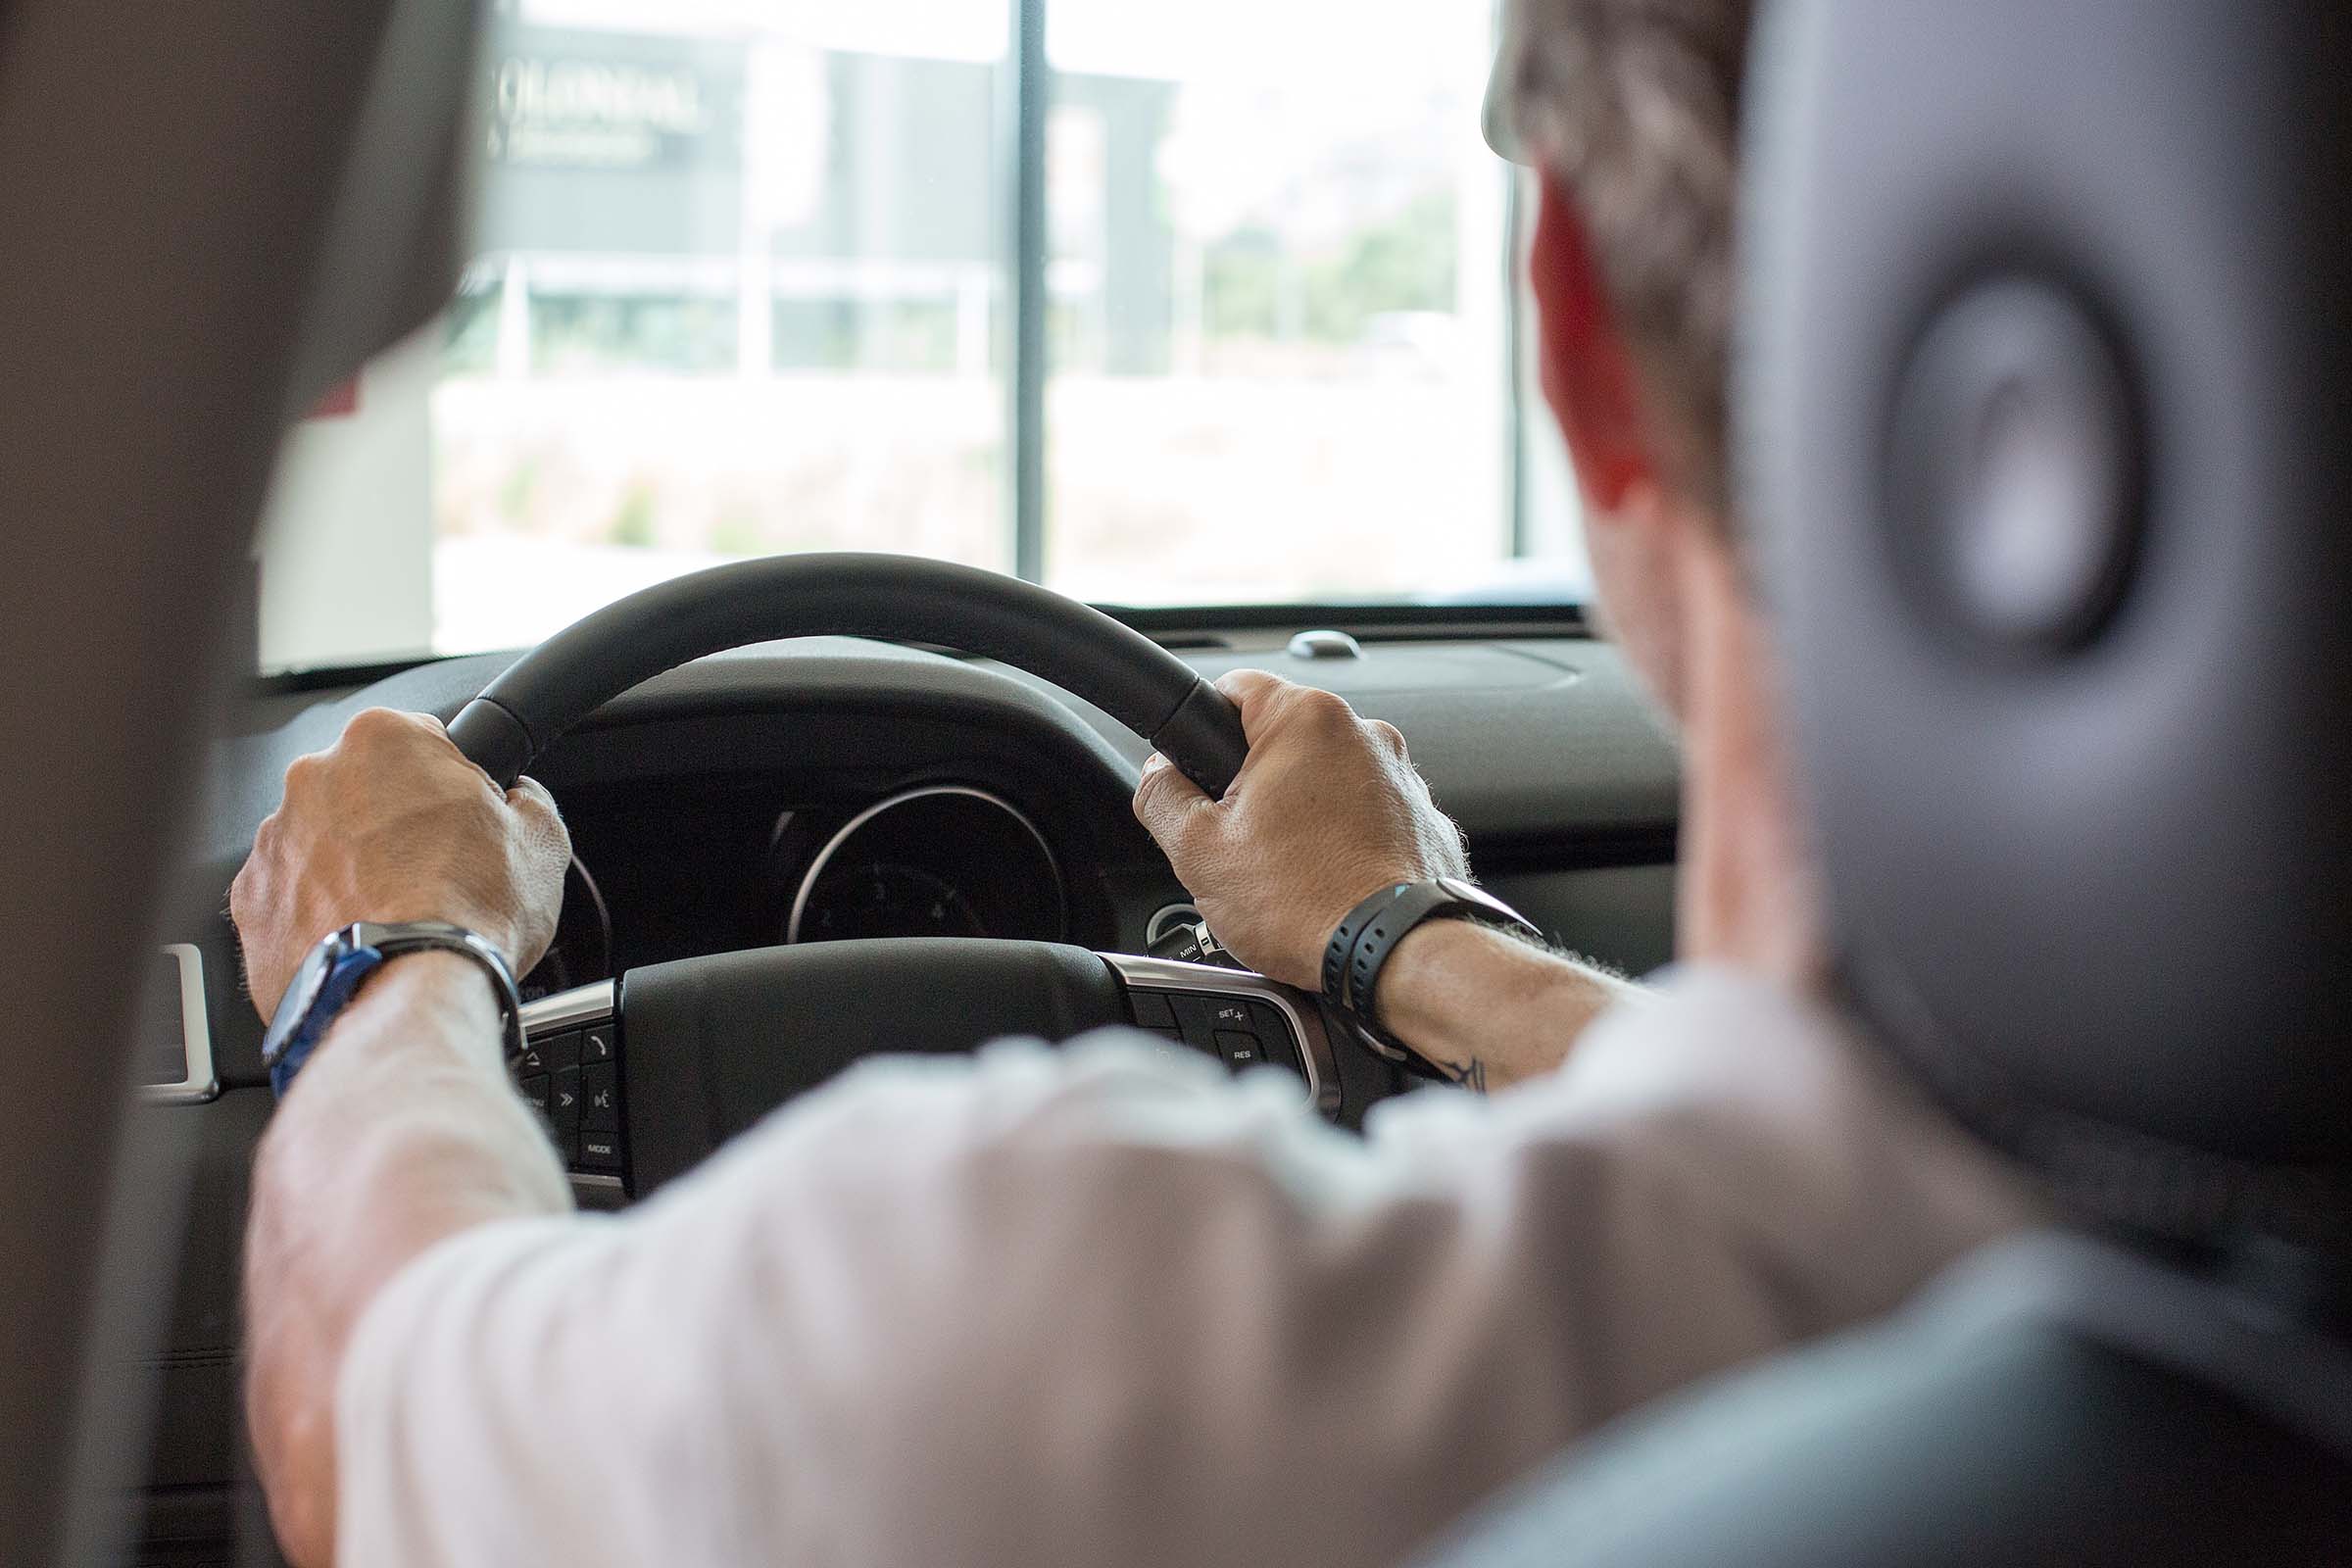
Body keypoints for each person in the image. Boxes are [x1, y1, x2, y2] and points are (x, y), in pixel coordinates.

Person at [235, 2, 2044, 1563]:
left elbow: (359, 1420)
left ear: (1568, 323)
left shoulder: (1041, 1335)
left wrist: (383, 956)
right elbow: (1781, 1156)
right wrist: (1403, 934)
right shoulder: (2136, 1250)